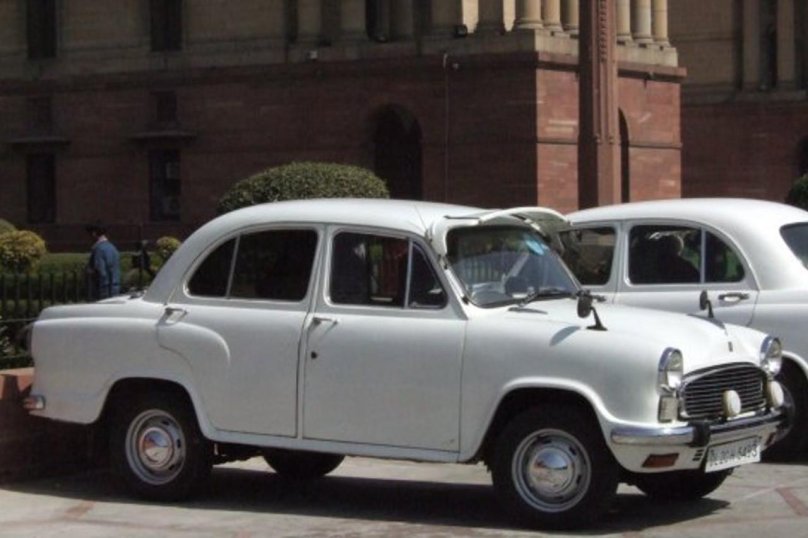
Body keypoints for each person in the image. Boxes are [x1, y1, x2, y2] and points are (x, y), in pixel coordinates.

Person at [86, 222, 121, 299]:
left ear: (94, 233)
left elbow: (100, 270)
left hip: (103, 288)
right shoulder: (113, 248)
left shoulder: (98, 249)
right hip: (115, 286)